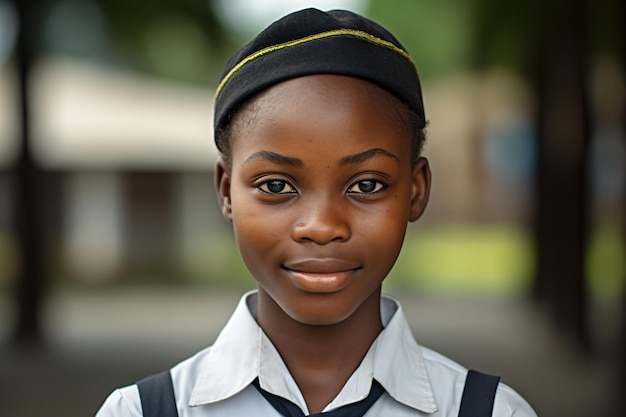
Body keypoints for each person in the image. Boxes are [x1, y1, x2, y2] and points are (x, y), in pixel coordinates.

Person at [96, 8, 537, 417]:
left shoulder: (490, 411)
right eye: (276, 186)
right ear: (227, 192)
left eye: (366, 186)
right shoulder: (141, 411)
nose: (322, 227)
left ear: (416, 191)